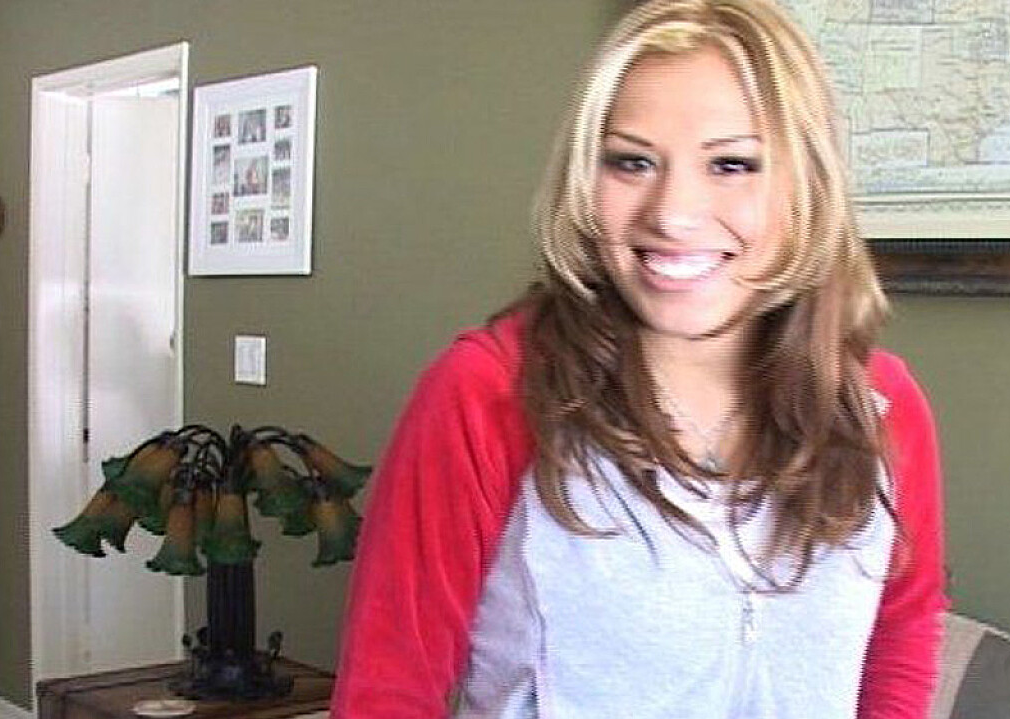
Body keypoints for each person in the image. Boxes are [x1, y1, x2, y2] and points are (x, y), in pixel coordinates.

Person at [331, 1, 946, 717]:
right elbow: (388, 687)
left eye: (731, 164)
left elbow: (902, 631)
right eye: (631, 162)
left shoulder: (879, 404)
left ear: (806, 183)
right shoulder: (487, 391)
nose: (671, 213)